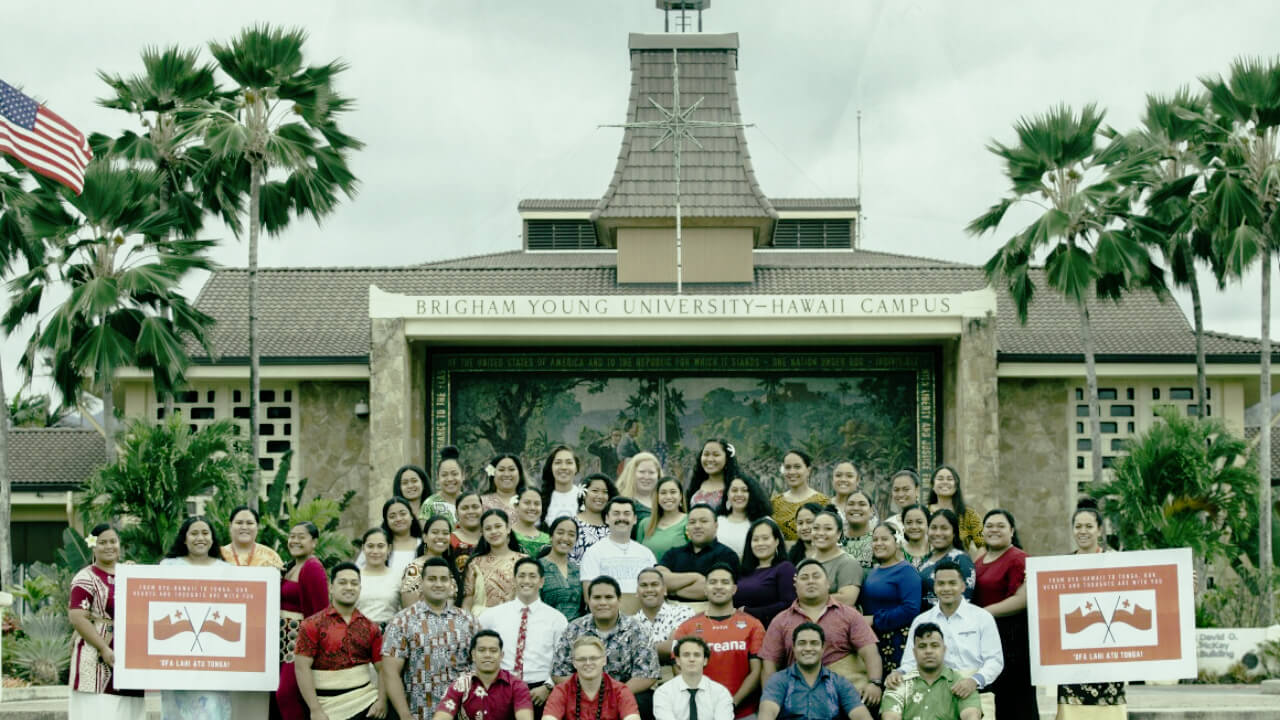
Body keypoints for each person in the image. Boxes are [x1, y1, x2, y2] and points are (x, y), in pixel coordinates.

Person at [759, 559, 882, 707]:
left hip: (848, 693)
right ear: (795, 585)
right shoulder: (780, 621)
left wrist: (874, 682)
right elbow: (769, 665)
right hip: (800, 699)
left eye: (816, 576)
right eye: (804, 578)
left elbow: (870, 652)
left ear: (828, 583)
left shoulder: (849, 615)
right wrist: (770, 701)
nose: (811, 581)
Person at [889, 560, 1002, 720]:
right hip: (932, 693)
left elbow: (995, 661)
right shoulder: (921, 621)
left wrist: (974, 681)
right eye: (941, 584)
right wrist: (898, 673)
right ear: (934, 587)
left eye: (952, 583)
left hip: (974, 690)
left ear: (963, 586)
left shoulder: (982, 618)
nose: (946, 588)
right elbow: (910, 662)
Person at [383, 557, 482, 720]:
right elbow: (390, 671)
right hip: (420, 712)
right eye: (432, 579)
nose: (438, 584)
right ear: (421, 583)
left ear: (451, 584)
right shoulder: (402, 621)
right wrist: (404, 714)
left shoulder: (468, 621)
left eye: (443, 579)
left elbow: (481, 666)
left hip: (462, 713)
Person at [67, 523, 145, 719]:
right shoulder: (85, 577)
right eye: (102, 542)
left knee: (129, 711)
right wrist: (103, 647)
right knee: (98, 711)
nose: (109, 546)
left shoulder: (130, 573)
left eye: (113, 541)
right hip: (96, 656)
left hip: (129, 656)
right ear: (93, 546)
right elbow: (77, 616)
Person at [1057, 499, 1126, 718]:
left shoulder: (1116, 562)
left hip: (1108, 655)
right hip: (1072, 656)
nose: (1083, 531)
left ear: (1099, 530)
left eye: (1089, 526)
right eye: (1078, 526)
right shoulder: (1060, 566)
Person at [159, 517, 233, 719]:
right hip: (177, 656)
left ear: (212, 538)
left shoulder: (227, 571)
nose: (200, 538)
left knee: (212, 710)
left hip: (214, 657)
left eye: (205, 533)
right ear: (184, 539)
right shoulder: (168, 567)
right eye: (194, 533)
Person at [551, 578, 661, 710]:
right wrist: (589, 695)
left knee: (643, 701)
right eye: (597, 597)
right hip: (582, 693)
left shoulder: (638, 629)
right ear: (589, 600)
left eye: (609, 597)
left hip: (625, 693)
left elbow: (647, 675)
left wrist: (614, 695)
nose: (603, 602)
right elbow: (560, 672)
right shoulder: (574, 629)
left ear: (619, 599)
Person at [295, 562, 387, 720]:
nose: (349, 587)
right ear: (331, 587)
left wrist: (382, 701)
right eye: (342, 582)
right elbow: (302, 668)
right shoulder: (311, 625)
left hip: (366, 701)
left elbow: (384, 669)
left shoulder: (371, 627)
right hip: (325, 705)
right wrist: (315, 709)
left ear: (360, 588)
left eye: (354, 583)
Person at [673, 563, 765, 719]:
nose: (719, 587)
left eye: (725, 582)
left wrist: (731, 704)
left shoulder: (753, 625)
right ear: (705, 589)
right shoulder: (686, 628)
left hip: (743, 712)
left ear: (734, 589)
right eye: (713, 582)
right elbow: (678, 669)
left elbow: (756, 671)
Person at [480, 558, 569, 710]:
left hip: (539, 691)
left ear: (541, 582)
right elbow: (477, 650)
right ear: (514, 580)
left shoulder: (557, 619)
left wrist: (548, 687)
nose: (526, 580)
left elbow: (563, 660)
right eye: (521, 576)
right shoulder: (491, 616)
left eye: (532, 576)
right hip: (501, 687)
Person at [974, 508, 1036, 718]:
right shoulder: (978, 561)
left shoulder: (1019, 558)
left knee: (1017, 703)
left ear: (1012, 531)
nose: (994, 530)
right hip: (987, 640)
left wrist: (982, 614)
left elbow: (1021, 600)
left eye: (1001, 526)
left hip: (1013, 639)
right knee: (995, 702)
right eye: (989, 526)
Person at [757, 623, 871, 720]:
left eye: (814, 643)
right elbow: (767, 713)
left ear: (823, 648)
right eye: (802, 643)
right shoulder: (779, 680)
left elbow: (861, 716)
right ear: (794, 648)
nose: (808, 648)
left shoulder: (839, 683)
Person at [277, 521, 331, 720]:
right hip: (282, 644)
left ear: (314, 542)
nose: (295, 541)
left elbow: (320, 614)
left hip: (298, 645)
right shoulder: (290, 566)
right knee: (279, 697)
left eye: (301, 536)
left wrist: (314, 651)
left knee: (286, 695)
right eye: (292, 536)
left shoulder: (312, 568)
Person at [881, 623, 982, 720]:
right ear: (914, 652)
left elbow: (971, 716)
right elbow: (891, 717)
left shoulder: (960, 683)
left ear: (944, 650)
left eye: (934, 645)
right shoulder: (899, 683)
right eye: (922, 646)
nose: (928, 651)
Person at [860, 524, 922, 674]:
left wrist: (874, 620)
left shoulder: (906, 571)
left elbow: (911, 609)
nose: (879, 543)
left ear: (897, 541)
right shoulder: (874, 572)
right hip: (873, 641)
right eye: (875, 540)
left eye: (884, 539)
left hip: (896, 642)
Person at [432, 630, 535, 720]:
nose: (487, 655)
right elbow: (442, 716)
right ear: (473, 655)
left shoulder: (517, 686)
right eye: (482, 650)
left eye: (493, 651)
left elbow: (525, 717)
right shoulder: (459, 686)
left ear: (501, 655)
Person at [581, 497, 658, 615]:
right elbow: (589, 596)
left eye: (627, 514)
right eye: (616, 514)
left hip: (643, 619)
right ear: (607, 518)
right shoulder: (593, 552)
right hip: (606, 620)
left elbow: (655, 591)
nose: (621, 518)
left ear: (635, 519)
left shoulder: (646, 553)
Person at [543, 636, 641, 720]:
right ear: (574, 663)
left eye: (594, 658)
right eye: (582, 659)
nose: (588, 663)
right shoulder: (561, 691)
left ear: (604, 660)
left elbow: (632, 717)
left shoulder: (620, 691)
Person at [657, 504, 740, 603]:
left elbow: (715, 590)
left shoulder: (727, 555)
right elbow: (658, 580)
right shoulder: (673, 553)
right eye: (692, 522)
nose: (697, 526)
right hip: (672, 613)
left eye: (704, 521)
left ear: (716, 526)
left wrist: (671, 590)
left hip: (709, 613)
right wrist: (696, 577)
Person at [462, 508, 529, 616]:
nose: (493, 531)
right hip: (481, 623)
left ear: (508, 528)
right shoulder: (475, 563)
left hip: (515, 621)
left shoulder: (524, 561)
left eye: (498, 526)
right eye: (488, 528)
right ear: (482, 533)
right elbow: (467, 601)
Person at [653, 636, 736, 720]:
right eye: (686, 655)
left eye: (697, 655)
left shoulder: (720, 693)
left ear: (705, 661)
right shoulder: (663, 692)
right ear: (678, 660)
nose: (691, 659)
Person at [735, 518, 796, 629]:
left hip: (772, 629)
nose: (760, 543)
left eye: (765, 538)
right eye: (755, 539)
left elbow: (789, 604)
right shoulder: (743, 570)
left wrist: (749, 612)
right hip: (741, 629)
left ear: (776, 541)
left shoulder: (785, 568)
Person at [633, 568, 695, 661]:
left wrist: (636, 650)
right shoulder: (630, 622)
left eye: (655, 584)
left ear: (665, 590)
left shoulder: (682, 612)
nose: (649, 589)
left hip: (676, 673)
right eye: (644, 585)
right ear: (637, 592)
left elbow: (675, 646)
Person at [917, 509, 976, 607]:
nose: (938, 533)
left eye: (944, 528)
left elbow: (965, 601)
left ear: (954, 533)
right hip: (922, 619)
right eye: (934, 528)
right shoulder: (925, 560)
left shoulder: (961, 559)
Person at [401, 515, 462, 608]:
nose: (440, 537)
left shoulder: (452, 566)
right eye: (435, 532)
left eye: (445, 533)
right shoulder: (414, 569)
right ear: (425, 537)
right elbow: (409, 609)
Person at [770, 449, 828, 542]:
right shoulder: (774, 503)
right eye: (787, 467)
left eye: (797, 467)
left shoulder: (823, 502)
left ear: (808, 470)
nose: (792, 472)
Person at [809, 508, 863, 607]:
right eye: (816, 528)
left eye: (828, 529)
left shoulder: (848, 563)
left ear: (838, 534)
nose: (820, 533)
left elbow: (848, 599)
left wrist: (809, 600)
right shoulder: (806, 563)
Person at [928, 465, 983, 554]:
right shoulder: (923, 512)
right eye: (940, 479)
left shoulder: (969, 514)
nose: (945, 482)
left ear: (956, 485)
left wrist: (972, 565)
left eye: (950, 479)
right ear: (932, 485)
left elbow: (983, 545)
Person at [366, 496, 423, 580]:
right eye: (392, 516)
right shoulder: (378, 547)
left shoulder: (423, 545)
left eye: (403, 514)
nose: (398, 519)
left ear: (411, 516)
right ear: (386, 521)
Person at [540, 515, 585, 621]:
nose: (565, 538)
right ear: (551, 536)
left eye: (571, 534)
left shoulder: (578, 570)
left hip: (575, 633)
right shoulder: (537, 568)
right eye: (560, 533)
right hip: (547, 630)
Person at [715, 476, 771, 558]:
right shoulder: (717, 521)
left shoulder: (765, 522)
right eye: (734, 490)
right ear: (727, 494)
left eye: (744, 490)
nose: (739, 494)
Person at [357, 528, 402, 628]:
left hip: (389, 636)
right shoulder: (354, 577)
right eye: (370, 546)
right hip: (357, 635)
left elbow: (407, 611)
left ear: (389, 548)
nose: (375, 551)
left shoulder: (398, 577)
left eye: (380, 546)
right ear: (363, 548)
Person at [638, 476, 690, 560]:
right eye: (663, 493)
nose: (668, 497)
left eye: (673, 492)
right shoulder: (644, 524)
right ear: (657, 497)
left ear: (680, 496)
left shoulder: (689, 521)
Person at [572, 473, 616, 565]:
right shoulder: (571, 523)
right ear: (583, 493)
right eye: (595, 491)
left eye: (605, 492)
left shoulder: (613, 526)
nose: (600, 496)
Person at [221, 504, 284, 569]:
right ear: (230, 526)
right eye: (239, 523)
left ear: (257, 527)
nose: (244, 527)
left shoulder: (270, 556)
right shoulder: (217, 555)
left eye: (250, 523)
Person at [686, 439, 740, 509]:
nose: (710, 459)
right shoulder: (696, 484)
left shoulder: (736, 486)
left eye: (716, 455)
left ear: (727, 458)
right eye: (706, 454)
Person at [616, 451, 662, 528]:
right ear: (632, 473)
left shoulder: (664, 502)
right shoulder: (619, 501)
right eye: (642, 472)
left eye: (651, 472)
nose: (646, 477)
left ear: (658, 475)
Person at [541, 445, 584, 526]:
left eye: (569, 462)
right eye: (558, 463)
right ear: (551, 468)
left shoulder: (585, 498)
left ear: (576, 468)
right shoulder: (541, 500)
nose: (564, 467)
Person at [424, 447, 466, 523]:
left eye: (454, 474)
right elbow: (425, 533)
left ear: (463, 475)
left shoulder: (469, 502)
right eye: (444, 475)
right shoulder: (429, 504)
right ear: (438, 477)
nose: (449, 479)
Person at [451, 492, 486, 572]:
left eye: (475, 507)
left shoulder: (492, 539)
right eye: (465, 508)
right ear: (456, 514)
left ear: (483, 510)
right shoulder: (448, 541)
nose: (470, 511)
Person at [840, 492, 875, 570]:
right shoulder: (835, 539)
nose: (856, 508)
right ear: (844, 509)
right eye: (851, 504)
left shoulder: (878, 540)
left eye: (862, 504)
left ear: (871, 510)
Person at [512, 487, 552, 556]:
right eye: (527, 503)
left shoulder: (548, 539)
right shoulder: (507, 535)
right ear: (516, 506)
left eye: (537, 503)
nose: (532, 508)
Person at [883, 470, 920, 536]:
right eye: (896, 490)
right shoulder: (889, 524)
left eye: (906, 489)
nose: (900, 494)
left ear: (917, 490)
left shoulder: (929, 520)